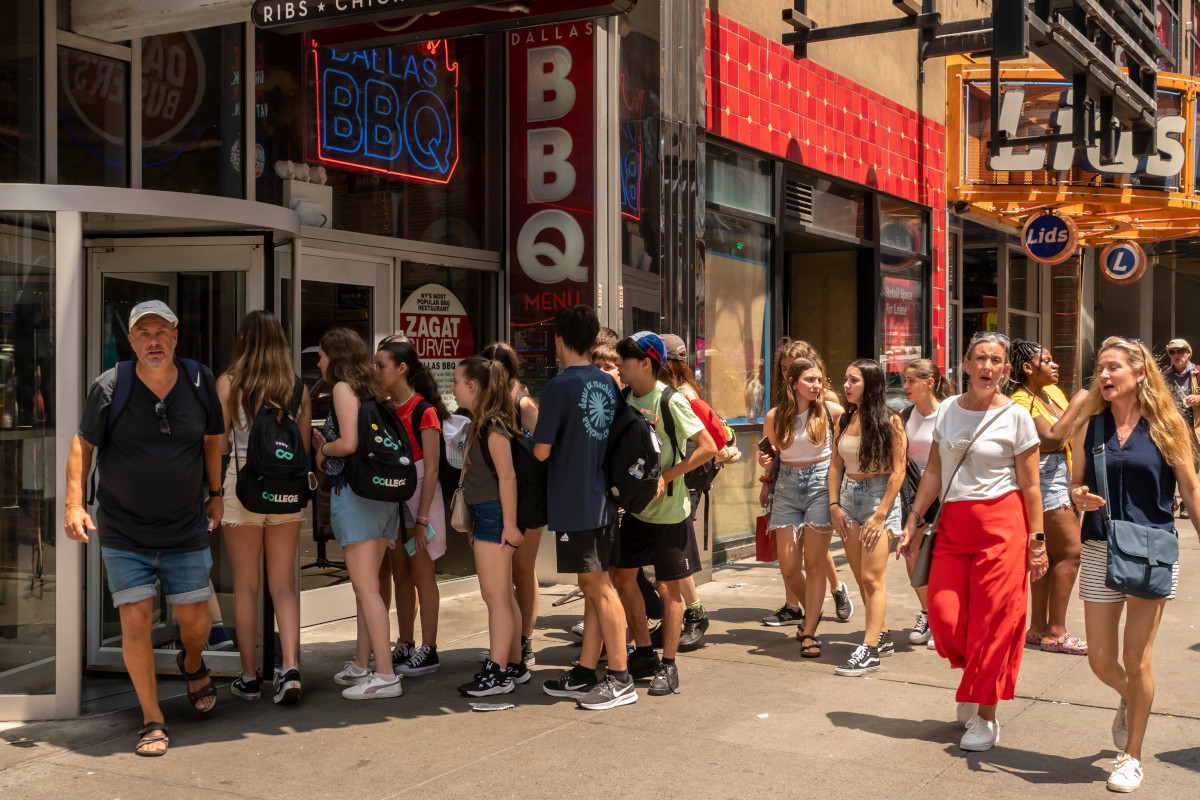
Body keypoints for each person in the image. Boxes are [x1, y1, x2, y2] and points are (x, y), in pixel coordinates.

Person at [64, 301, 225, 756]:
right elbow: (83, 443)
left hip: (185, 525)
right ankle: (152, 718)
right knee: (134, 619)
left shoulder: (199, 380)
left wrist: (216, 491)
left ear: (175, 335)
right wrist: (74, 503)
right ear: (131, 341)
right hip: (124, 529)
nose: (153, 341)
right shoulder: (111, 385)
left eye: (161, 332)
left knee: (195, 622)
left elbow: (214, 437)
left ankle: (192, 662)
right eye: (143, 334)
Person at [898, 331, 1046, 752]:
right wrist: (913, 520)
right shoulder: (947, 409)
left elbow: (1031, 486)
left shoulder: (1016, 416)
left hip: (1003, 527)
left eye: (996, 360)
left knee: (993, 625)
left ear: (1005, 369)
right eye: (980, 358)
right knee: (945, 621)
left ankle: (986, 714)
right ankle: (975, 679)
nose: (988, 367)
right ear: (965, 364)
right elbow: (932, 472)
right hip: (953, 525)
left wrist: (1037, 541)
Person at [1069, 336, 1199, 792]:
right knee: (1102, 661)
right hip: (1102, 547)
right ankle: (1132, 699)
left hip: (1151, 551)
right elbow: (1075, 484)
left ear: (1139, 374)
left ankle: (1132, 756)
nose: (1103, 375)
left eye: (1112, 368)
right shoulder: (1093, 426)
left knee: (1136, 657)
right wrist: (1079, 496)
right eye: (1099, 369)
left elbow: (1191, 490)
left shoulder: (1168, 425)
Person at [534, 305, 635, 710]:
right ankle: (586, 670)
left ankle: (620, 677)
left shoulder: (558, 387)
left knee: (597, 587)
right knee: (596, 587)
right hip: (603, 497)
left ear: (560, 339)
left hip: (576, 501)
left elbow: (541, 451)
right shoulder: (607, 383)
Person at [612, 332, 717, 695]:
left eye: (625, 360)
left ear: (645, 363)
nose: (620, 365)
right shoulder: (623, 398)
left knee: (668, 588)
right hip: (636, 512)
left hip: (670, 513)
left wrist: (668, 476)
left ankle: (669, 665)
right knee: (622, 577)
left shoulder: (670, 401)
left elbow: (709, 447)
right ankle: (643, 651)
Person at [218, 310, 311, 704]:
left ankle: (250, 677)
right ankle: (289, 669)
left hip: (242, 491)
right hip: (286, 492)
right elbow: (302, 449)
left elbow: (221, 445)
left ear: (243, 339)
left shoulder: (229, 383)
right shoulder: (296, 387)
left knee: (246, 587)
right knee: (284, 585)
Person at [313, 328, 403, 700]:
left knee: (366, 589)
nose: (318, 362)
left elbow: (348, 443)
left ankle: (385, 674)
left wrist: (323, 451)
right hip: (383, 497)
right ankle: (363, 664)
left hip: (356, 495)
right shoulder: (373, 389)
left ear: (335, 357)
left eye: (320, 355)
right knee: (367, 589)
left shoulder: (340, 388)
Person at [759, 338, 853, 627]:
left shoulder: (830, 408)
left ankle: (812, 619)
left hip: (820, 483)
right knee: (789, 564)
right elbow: (770, 453)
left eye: (818, 379)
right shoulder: (777, 414)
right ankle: (811, 608)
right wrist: (766, 474)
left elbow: (845, 453)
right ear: (791, 380)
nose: (815, 385)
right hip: (787, 484)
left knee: (814, 559)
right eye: (785, 369)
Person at [452, 355, 530, 696]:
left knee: (494, 596)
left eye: (456, 382)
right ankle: (511, 664)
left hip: (495, 517)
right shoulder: (480, 424)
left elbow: (508, 477)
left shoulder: (492, 426)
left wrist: (509, 525)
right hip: (487, 516)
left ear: (472, 386)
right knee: (501, 595)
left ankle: (497, 672)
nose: (452, 389)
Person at [1007, 340, 1090, 655]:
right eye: (1047, 360)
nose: (1055, 365)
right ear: (1028, 369)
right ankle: (1056, 632)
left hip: (1059, 476)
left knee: (1050, 556)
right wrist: (1080, 399)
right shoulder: (1020, 402)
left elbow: (1069, 429)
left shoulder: (1048, 393)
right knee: (1072, 551)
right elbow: (1053, 437)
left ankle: (1038, 628)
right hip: (1043, 481)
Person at [374, 340, 450, 678]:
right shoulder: (385, 407)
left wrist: (421, 520)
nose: (376, 371)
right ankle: (404, 642)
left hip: (419, 506)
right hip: (393, 502)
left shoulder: (425, 411)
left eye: (381, 365)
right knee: (400, 573)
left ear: (401, 368)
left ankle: (429, 649)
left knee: (422, 575)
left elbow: (432, 469)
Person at [827, 359, 906, 676]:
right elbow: (835, 465)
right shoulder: (844, 419)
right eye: (845, 379)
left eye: (853, 380)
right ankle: (882, 634)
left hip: (878, 499)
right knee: (861, 576)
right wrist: (833, 505)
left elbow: (898, 471)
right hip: (848, 499)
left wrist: (881, 515)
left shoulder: (891, 421)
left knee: (873, 579)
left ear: (870, 384)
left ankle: (870, 649)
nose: (846, 385)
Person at [657, 332, 728, 650]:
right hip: (675, 483)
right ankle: (681, 613)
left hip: (683, 483)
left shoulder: (683, 395)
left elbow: (711, 445)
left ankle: (695, 613)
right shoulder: (674, 391)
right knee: (668, 556)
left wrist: (671, 474)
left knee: (674, 555)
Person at [481, 342, 541, 666]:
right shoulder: (486, 402)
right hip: (499, 497)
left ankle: (526, 639)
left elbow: (546, 448)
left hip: (528, 497)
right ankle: (510, 641)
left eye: (497, 368)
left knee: (522, 568)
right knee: (504, 574)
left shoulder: (524, 402)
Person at [899, 358, 952, 649]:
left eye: (912, 381)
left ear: (930, 383)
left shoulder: (949, 413)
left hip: (945, 493)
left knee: (943, 557)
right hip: (914, 493)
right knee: (911, 553)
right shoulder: (905, 415)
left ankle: (944, 618)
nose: (905, 386)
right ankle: (928, 613)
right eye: (904, 381)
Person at [1161, 337, 1200, 517]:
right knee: (1166, 464)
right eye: (1172, 352)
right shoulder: (1165, 374)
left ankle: (1187, 504)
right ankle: (1170, 501)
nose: (1177, 355)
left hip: (1192, 427)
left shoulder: (1198, 373)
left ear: (1189, 353)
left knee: (1191, 466)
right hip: (1170, 427)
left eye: (1181, 351)